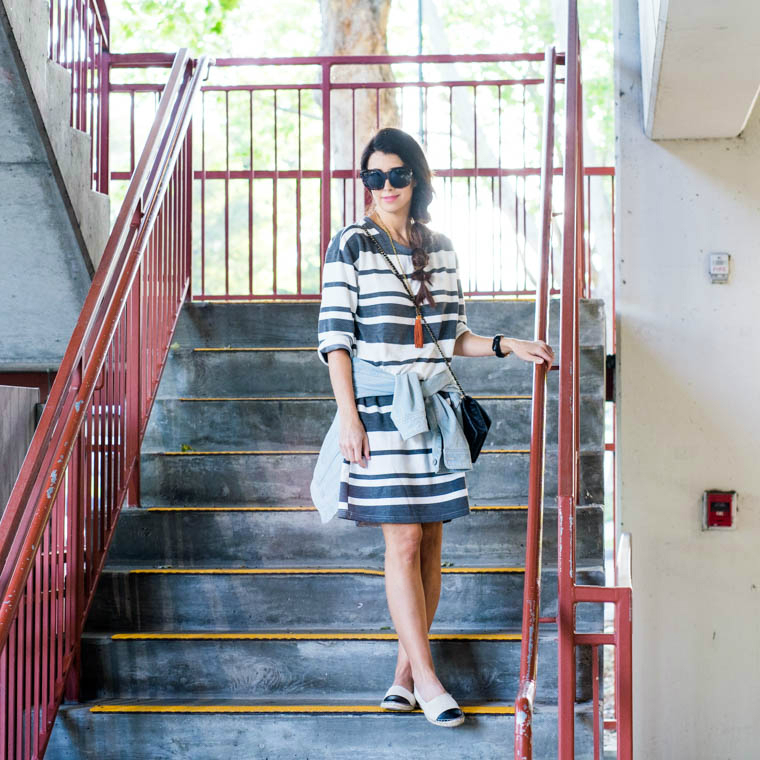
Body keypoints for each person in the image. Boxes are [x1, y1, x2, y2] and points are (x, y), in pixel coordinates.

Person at [311, 127, 554, 727]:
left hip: (435, 411)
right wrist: (348, 417)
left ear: (414, 178)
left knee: (432, 544)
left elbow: (452, 336)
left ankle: (401, 676)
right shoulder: (351, 246)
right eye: (374, 177)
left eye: (397, 175)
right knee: (404, 541)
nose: (386, 186)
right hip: (381, 411)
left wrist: (506, 344)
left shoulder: (440, 247)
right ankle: (427, 678)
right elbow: (335, 339)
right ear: (365, 183)